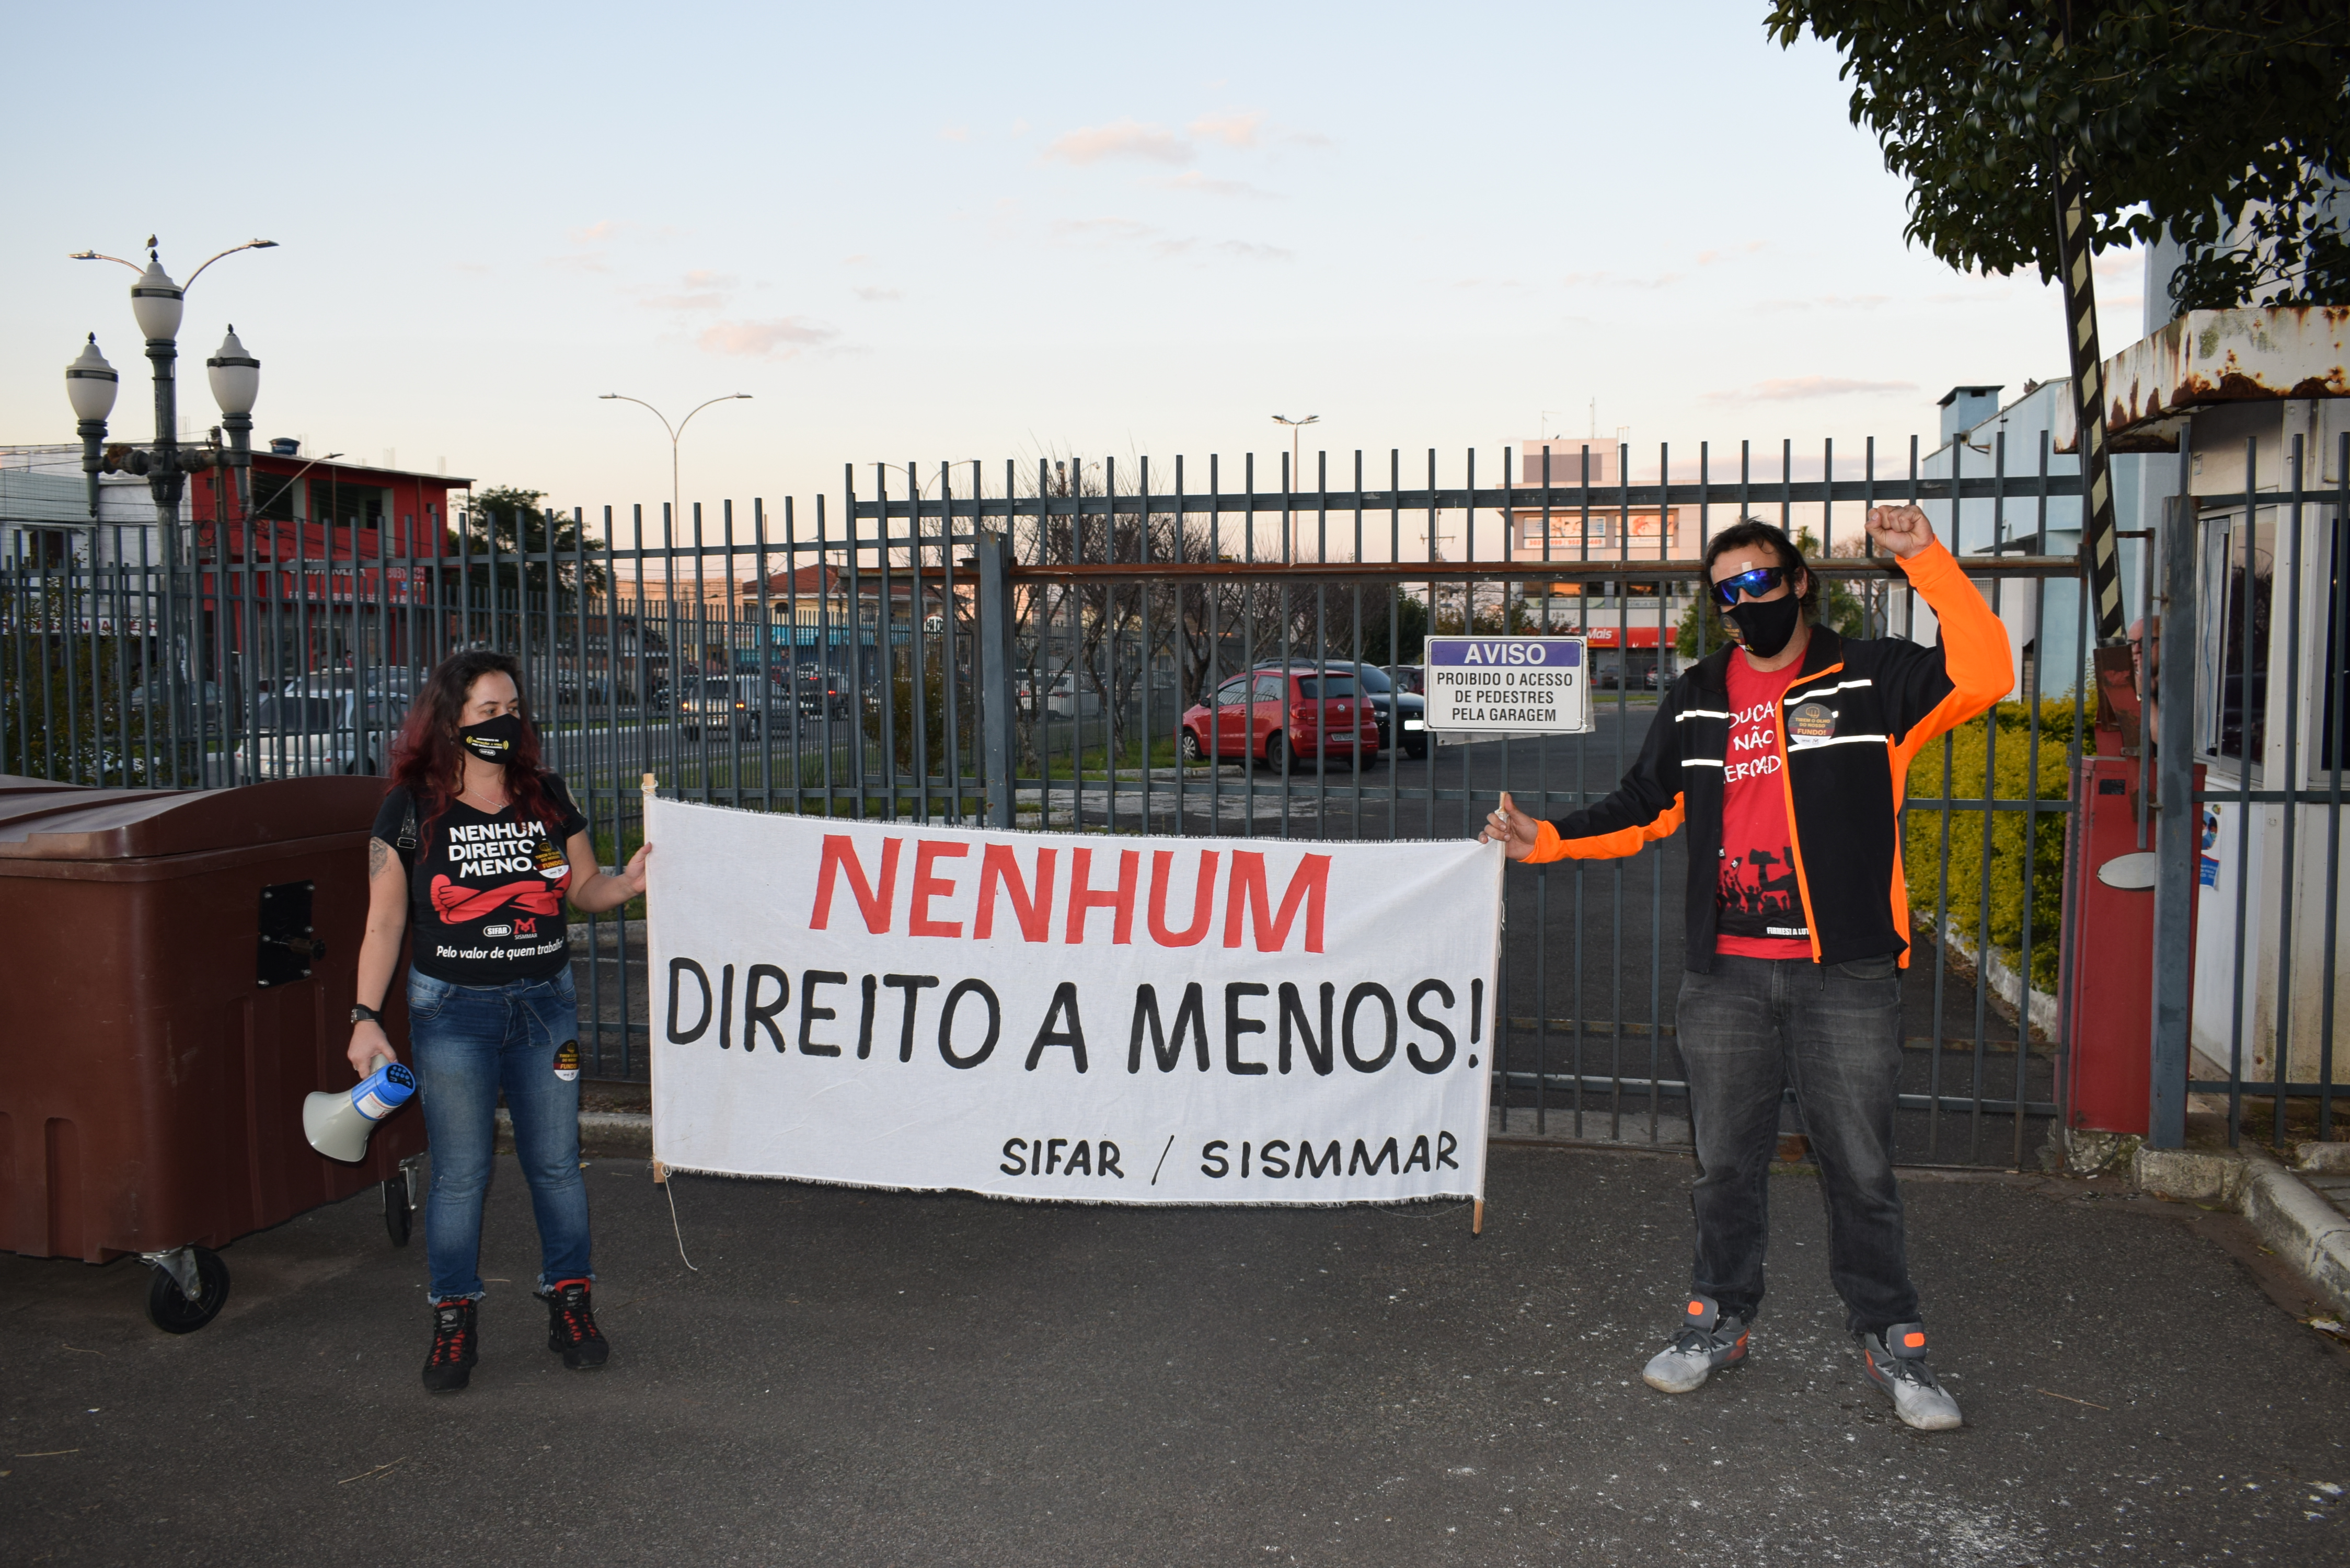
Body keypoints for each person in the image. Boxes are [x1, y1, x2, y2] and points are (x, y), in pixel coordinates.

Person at [1480, 505, 2009, 1432]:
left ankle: (1893, 1336)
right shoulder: (1698, 694)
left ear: (1800, 582)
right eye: (1726, 592)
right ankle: (1717, 1319)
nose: (1743, 603)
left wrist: (1925, 559)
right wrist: (1548, 839)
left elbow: (1987, 672)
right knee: (1724, 1165)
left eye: (1760, 582)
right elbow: (1647, 803)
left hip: (1845, 971)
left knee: (1862, 1169)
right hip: (1724, 973)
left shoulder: (1870, 678)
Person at [348, 650, 650, 1394]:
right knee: (460, 1174)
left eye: (513, 709)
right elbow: (384, 924)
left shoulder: (545, 794)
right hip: (453, 1012)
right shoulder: (409, 809)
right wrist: (365, 1017)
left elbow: (582, 888)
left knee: (556, 1164)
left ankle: (570, 1302)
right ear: (450, 720)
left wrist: (626, 885)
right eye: (488, 711)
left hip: (546, 1006)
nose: (505, 722)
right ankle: (454, 1315)